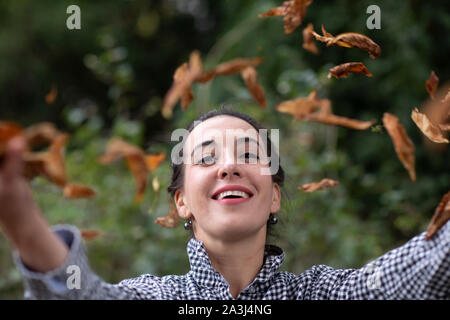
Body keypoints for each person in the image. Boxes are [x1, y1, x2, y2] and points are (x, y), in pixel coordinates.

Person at [0, 108, 448, 300]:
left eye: (251, 155)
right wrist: (19, 216)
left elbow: (431, 264)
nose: (229, 168)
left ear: (274, 196)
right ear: (181, 203)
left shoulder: (329, 293)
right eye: (207, 158)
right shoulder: (155, 297)